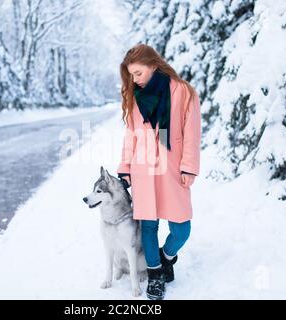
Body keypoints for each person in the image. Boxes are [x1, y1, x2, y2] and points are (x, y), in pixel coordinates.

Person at [117, 43, 201, 300]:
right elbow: (131, 136)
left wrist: (189, 166)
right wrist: (125, 168)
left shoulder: (183, 92)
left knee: (181, 228)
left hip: (172, 169)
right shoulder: (134, 97)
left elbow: (191, 134)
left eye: (138, 73)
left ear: (154, 66)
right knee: (149, 225)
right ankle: (155, 275)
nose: (134, 79)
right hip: (143, 169)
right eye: (131, 74)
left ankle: (167, 258)